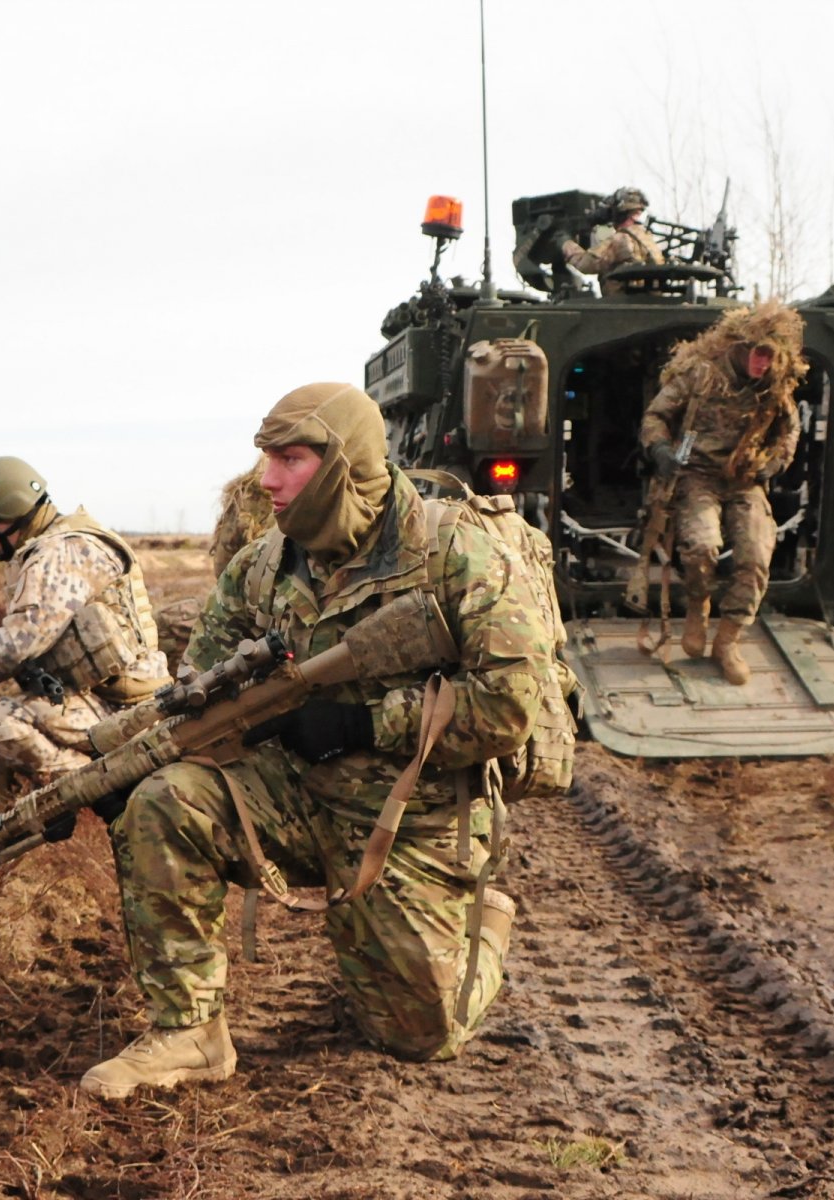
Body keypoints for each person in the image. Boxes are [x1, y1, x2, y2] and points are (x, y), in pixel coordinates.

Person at [80, 382, 555, 1101]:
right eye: (267, 458)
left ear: (344, 462)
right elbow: (202, 689)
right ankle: (190, 1030)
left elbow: (508, 705)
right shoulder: (263, 564)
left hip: (411, 817)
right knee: (163, 800)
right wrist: (139, 764)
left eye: (290, 459)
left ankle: (483, 924)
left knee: (419, 1038)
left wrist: (363, 724)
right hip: (297, 796)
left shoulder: (456, 550)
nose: (267, 479)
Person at [0, 456, 169, 790]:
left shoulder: (59, 553)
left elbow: (19, 643)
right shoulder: (65, 542)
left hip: (124, 707)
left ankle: (101, 789)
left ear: (13, 513)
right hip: (117, 696)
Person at [638, 300, 807, 684]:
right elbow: (656, 415)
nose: (762, 364)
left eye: (770, 357)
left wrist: (775, 463)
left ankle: (728, 639)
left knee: (756, 556)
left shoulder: (775, 385)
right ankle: (698, 605)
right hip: (697, 474)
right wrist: (660, 448)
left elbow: (789, 430)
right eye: (759, 354)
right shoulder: (703, 374)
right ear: (744, 347)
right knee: (701, 546)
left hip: (745, 479)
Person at [562, 186, 666, 295]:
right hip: (645, 301)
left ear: (619, 211)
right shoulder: (648, 238)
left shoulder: (619, 239)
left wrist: (565, 243)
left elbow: (586, 264)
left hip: (623, 304)